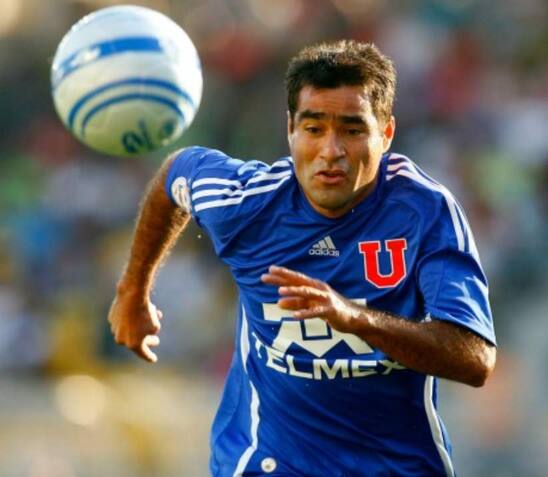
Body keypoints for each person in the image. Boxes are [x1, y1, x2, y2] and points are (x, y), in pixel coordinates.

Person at [108, 40, 497, 477]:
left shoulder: (424, 212)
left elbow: (474, 358)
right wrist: (133, 291)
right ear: (290, 128)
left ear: (385, 134)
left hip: (394, 466)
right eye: (314, 129)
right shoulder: (246, 203)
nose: (331, 151)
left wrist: (355, 318)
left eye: (352, 130)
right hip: (267, 463)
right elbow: (175, 174)